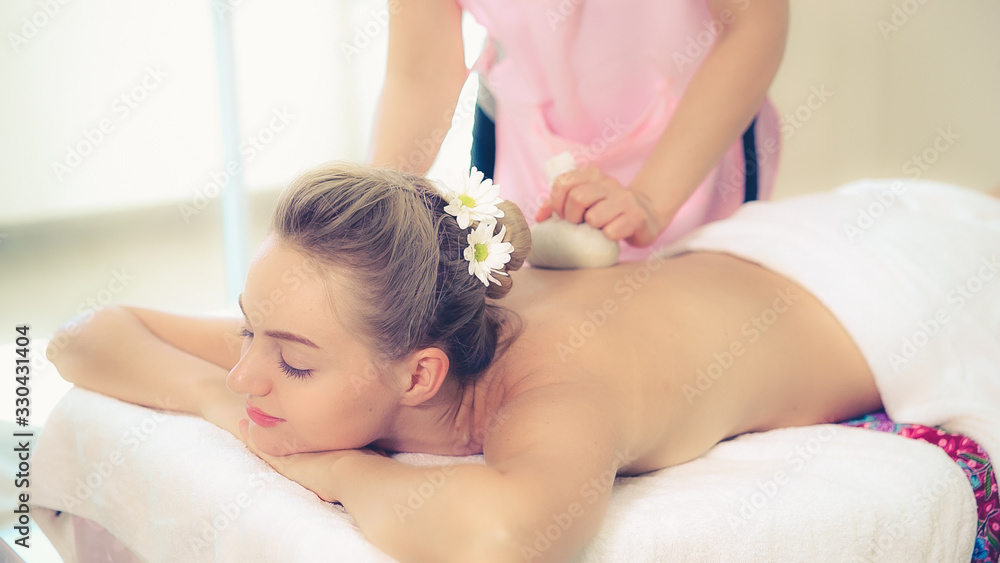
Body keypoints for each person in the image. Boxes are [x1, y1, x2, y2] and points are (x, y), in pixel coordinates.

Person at [48, 163, 1000, 562]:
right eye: (250, 330)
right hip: (770, 250)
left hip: (896, 297)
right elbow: (86, 333)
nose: (252, 370)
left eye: (290, 363)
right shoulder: (368, 324)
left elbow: (508, 535)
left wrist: (332, 467)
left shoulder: (556, 390)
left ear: (418, 376)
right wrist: (220, 404)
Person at [369, 0, 789, 261]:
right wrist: (370, 204)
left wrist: (649, 201)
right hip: (526, 145)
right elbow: (422, 73)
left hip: (693, 147)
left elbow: (752, 26)